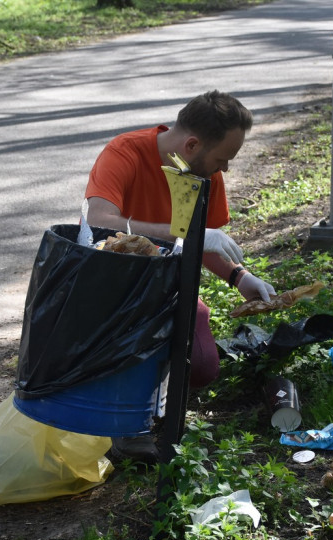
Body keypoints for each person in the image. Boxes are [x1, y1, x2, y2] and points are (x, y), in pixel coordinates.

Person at [85, 90, 276, 390]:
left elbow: (203, 244)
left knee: (200, 367)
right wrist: (183, 236)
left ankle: (159, 390)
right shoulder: (124, 152)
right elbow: (98, 221)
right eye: (222, 159)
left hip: (171, 288)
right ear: (191, 145)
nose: (224, 168)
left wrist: (239, 277)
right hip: (115, 290)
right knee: (116, 365)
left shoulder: (205, 170)